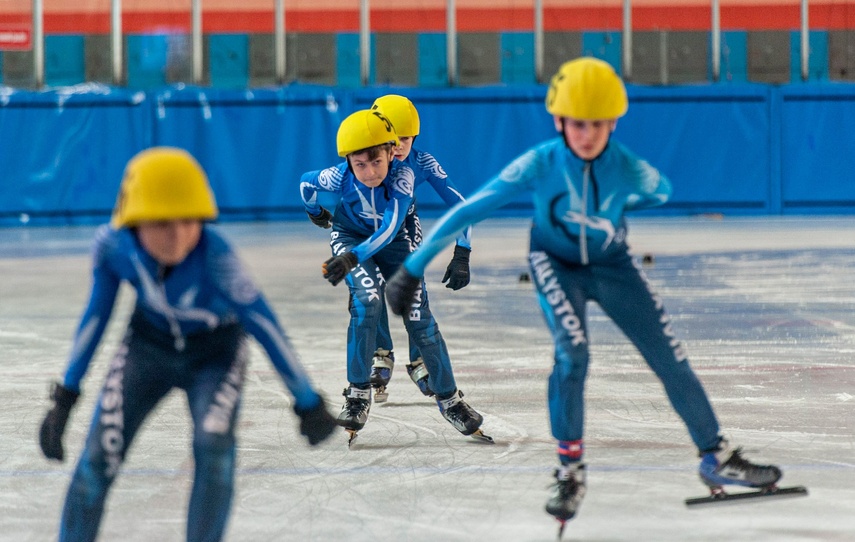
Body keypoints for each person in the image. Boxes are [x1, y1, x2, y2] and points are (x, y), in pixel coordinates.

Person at [384, 57, 783, 524]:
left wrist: (637, 192)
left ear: (613, 121)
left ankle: (715, 454)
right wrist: (412, 267)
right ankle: (569, 468)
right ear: (558, 120)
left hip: (613, 265)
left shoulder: (626, 167)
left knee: (668, 356)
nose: (587, 134)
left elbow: (661, 189)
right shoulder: (541, 162)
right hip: (555, 264)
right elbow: (470, 208)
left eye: (598, 124)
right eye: (577, 123)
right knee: (573, 356)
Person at [37, 147, 337, 542]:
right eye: (161, 222)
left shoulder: (217, 256)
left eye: (188, 219)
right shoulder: (113, 248)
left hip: (216, 354)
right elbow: (97, 316)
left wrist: (307, 400)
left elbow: (264, 324)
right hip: (147, 348)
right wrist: (65, 397)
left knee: (213, 448)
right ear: (133, 222)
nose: (177, 235)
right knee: (97, 457)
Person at [300, 108, 491, 445]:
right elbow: (306, 182)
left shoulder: (404, 175)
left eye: (378, 161)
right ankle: (358, 392)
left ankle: (450, 399)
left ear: (391, 152)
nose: (371, 172)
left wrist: (463, 251)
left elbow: (389, 229)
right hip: (350, 238)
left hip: (389, 240)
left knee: (419, 315)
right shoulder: (336, 176)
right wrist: (315, 211)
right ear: (349, 162)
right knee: (367, 302)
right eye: (361, 164)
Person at [367, 94, 473, 403]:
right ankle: (380, 352)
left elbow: (460, 205)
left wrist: (462, 251)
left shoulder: (422, 162)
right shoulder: (362, 158)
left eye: (406, 138)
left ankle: (418, 360)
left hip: (402, 229)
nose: (398, 146)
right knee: (369, 290)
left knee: (411, 290)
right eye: (392, 138)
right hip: (366, 229)